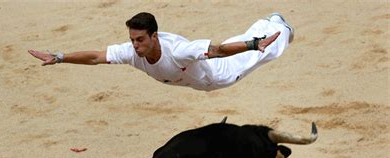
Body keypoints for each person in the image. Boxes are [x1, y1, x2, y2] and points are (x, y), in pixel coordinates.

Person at [28, 12, 294, 92]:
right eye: (132, 39)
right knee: (247, 44)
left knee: (258, 55)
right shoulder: (132, 52)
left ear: (154, 36)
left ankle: (280, 27)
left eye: (140, 39)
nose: (135, 45)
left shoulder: (177, 51)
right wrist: (61, 57)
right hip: (193, 80)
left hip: (216, 75)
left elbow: (218, 50)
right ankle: (266, 26)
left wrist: (252, 45)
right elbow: (97, 57)